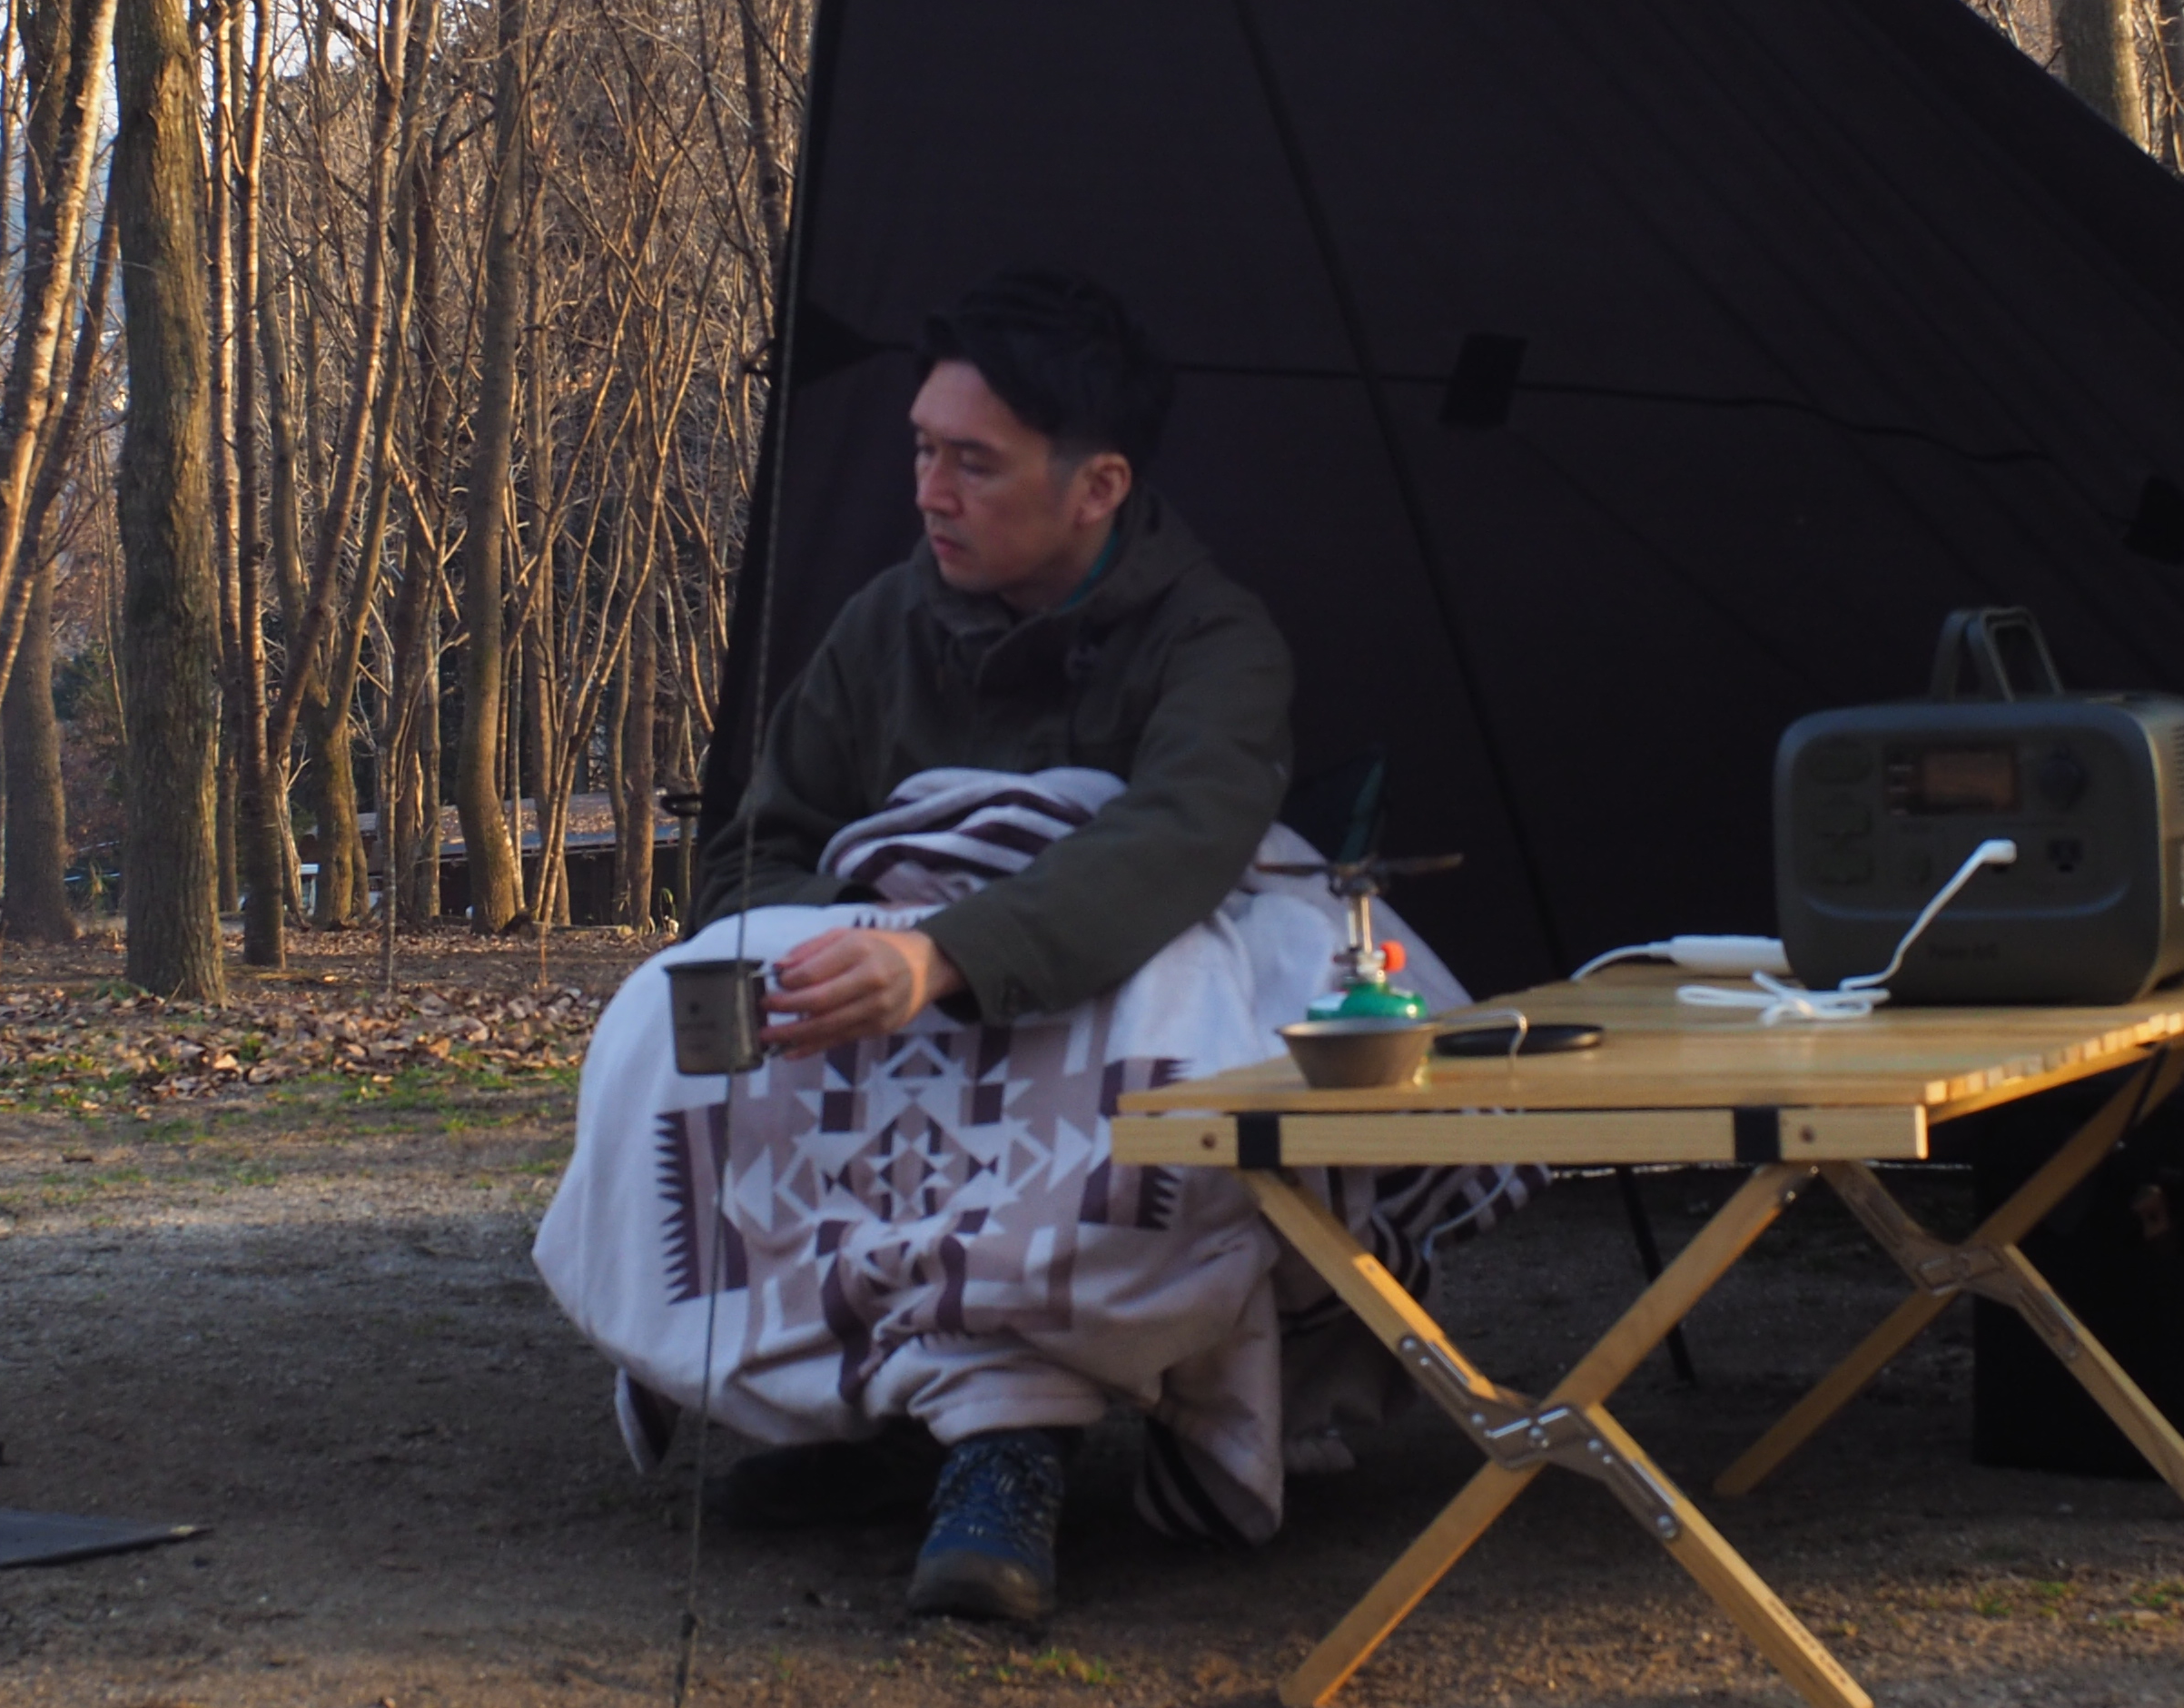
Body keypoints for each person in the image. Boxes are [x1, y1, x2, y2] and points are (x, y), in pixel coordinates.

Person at [531, 269, 1513, 1624]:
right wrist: (845, 934)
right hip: (885, 1013)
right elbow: (757, 853)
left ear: (1098, 485)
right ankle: (873, 1404)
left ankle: (1011, 1440)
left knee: (1165, 1038)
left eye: (973, 463)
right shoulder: (882, 626)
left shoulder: (1214, 638)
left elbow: (1177, 844)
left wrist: (946, 956)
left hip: (1110, 980)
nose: (930, 492)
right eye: (921, 451)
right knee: (667, 1011)